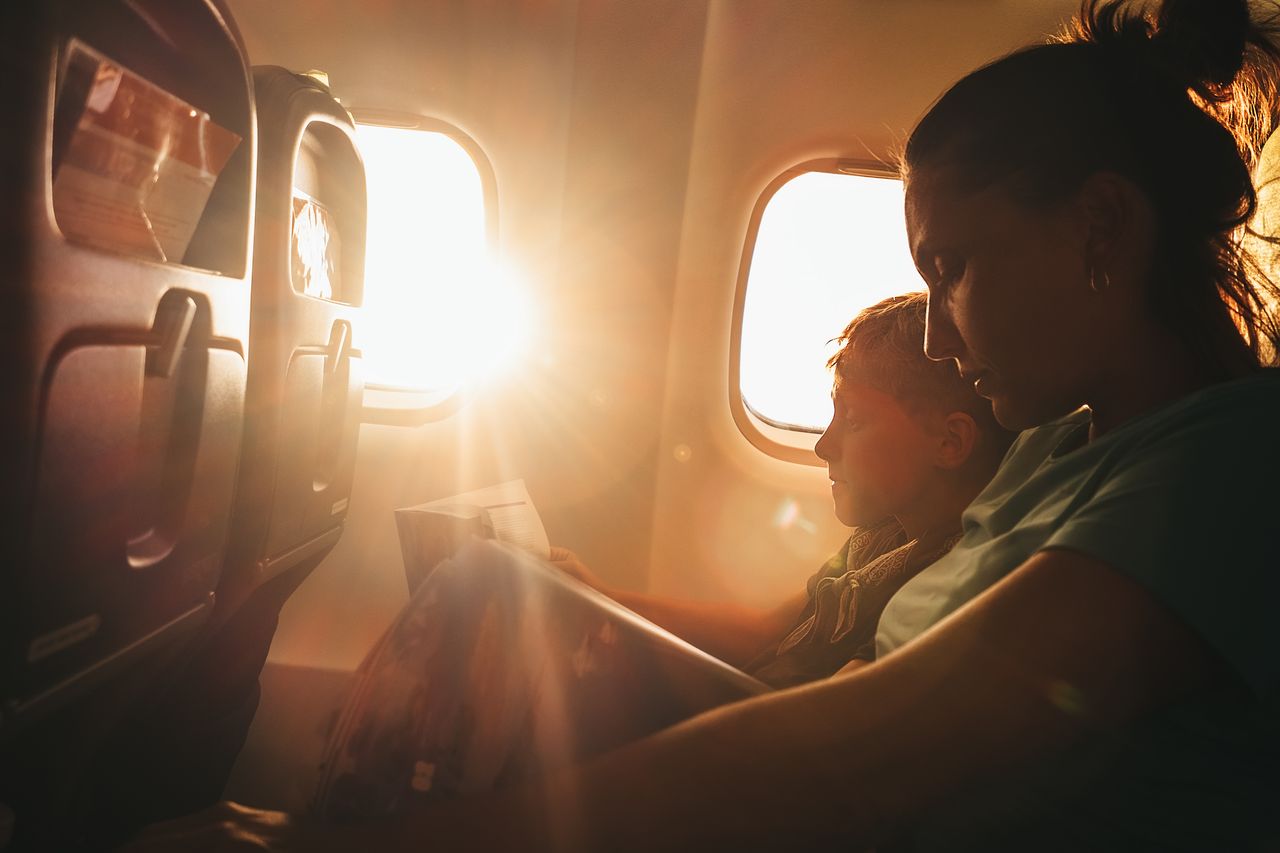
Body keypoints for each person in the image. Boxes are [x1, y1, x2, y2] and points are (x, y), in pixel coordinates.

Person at [121, 0, 1280, 849]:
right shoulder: (1055, 452)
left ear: (1099, 232)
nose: (938, 333)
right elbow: (811, 643)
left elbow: (876, 755)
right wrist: (582, 597)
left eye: (954, 267)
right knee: (500, 595)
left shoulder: (1230, 468)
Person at [552, 292, 1015, 687]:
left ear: (949, 442)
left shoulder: (941, 585)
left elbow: (817, 724)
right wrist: (600, 594)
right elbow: (765, 631)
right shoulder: (884, 534)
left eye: (852, 420)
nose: (823, 445)